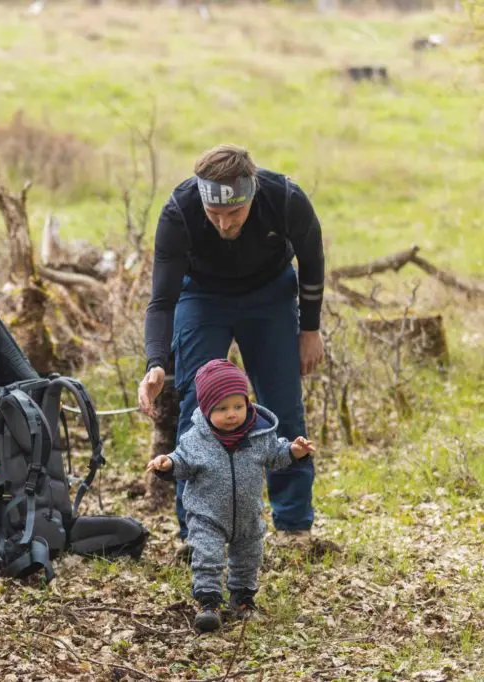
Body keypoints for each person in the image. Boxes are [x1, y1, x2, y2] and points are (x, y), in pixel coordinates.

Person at [137, 144, 325, 546]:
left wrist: (310, 329)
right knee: (198, 409)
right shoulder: (180, 211)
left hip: (270, 294)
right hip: (202, 296)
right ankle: (197, 530)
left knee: (282, 404)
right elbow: (162, 300)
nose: (223, 223)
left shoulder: (285, 198)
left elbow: (312, 262)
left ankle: (294, 524)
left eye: (234, 213)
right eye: (214, 213)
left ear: (251, 192)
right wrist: (156, 362)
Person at [147, 359, 316, 632]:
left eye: (238, 406)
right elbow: (182, 461)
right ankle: (209, 603)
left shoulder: (259, 434)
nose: (232, 414)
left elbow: (276, 454)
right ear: (206, 409)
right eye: (222, 409)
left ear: (247, 402)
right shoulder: (196, 439)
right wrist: (167, 464)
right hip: (207, 516)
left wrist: (294, 451)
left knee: (248, 558)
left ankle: (242, 599)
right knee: (207, 557)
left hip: (247, 515)